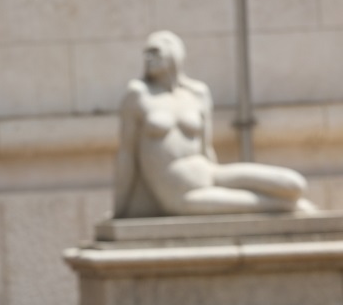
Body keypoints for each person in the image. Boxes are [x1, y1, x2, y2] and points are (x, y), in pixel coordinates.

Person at [113, 30, 316, 218]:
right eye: (146, 53)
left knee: (293, 184)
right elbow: (127, 155)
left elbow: (206, 149)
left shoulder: (197, 93)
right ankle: (288, 207)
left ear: (175, 53)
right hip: (180, 195)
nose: (148, 58)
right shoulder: (138, 95)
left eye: (155, 51)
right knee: (271, 205)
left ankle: (288, 202)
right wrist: (120, 210)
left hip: (209, 173)